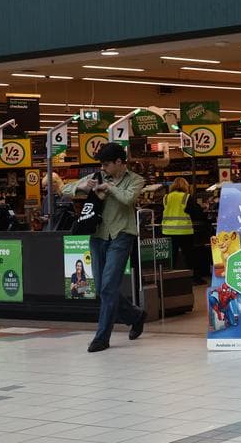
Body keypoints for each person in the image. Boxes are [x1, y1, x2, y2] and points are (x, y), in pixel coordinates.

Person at [61, 142, 147, 352]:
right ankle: (136, 315)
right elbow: (64, 189)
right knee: (101, 288)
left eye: (107, 164)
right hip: (97, 236)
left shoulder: (136, 180)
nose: (103, 168)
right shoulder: (98, 176)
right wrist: (81, 187)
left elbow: (128, 199)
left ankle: (102, 338)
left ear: (119, 162)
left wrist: (109, 188)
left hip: (121, 235)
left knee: (108, 286)